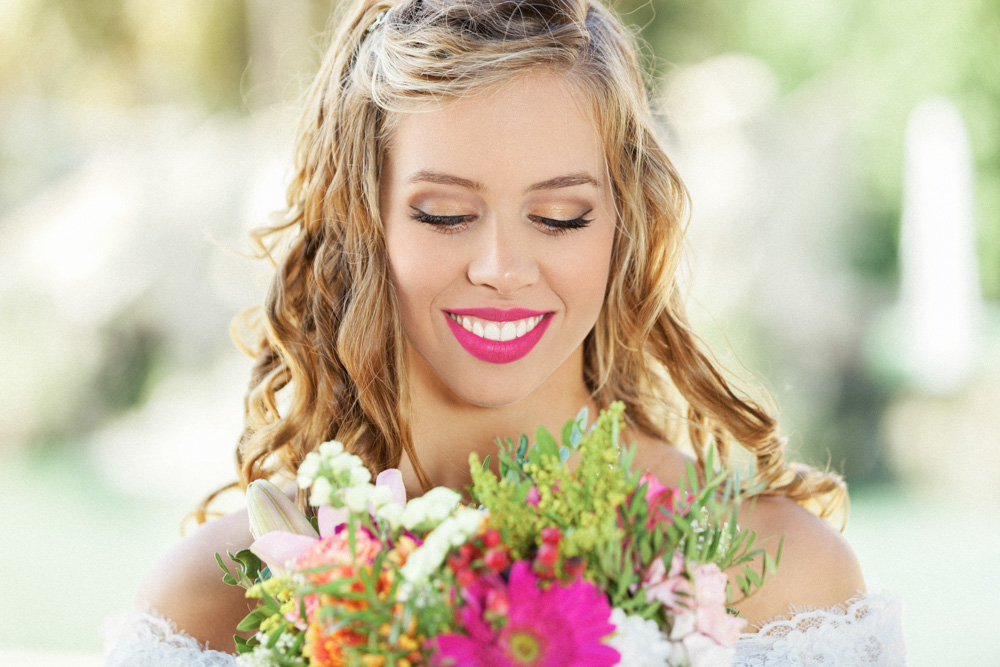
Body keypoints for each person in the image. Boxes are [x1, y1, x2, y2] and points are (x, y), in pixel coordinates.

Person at [104, 0, 905, 663]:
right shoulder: (215, 602)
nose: (502, 266)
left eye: (560, 216)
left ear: (624, 225)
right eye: (445, 213)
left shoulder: (786, 585)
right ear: (362, 222)